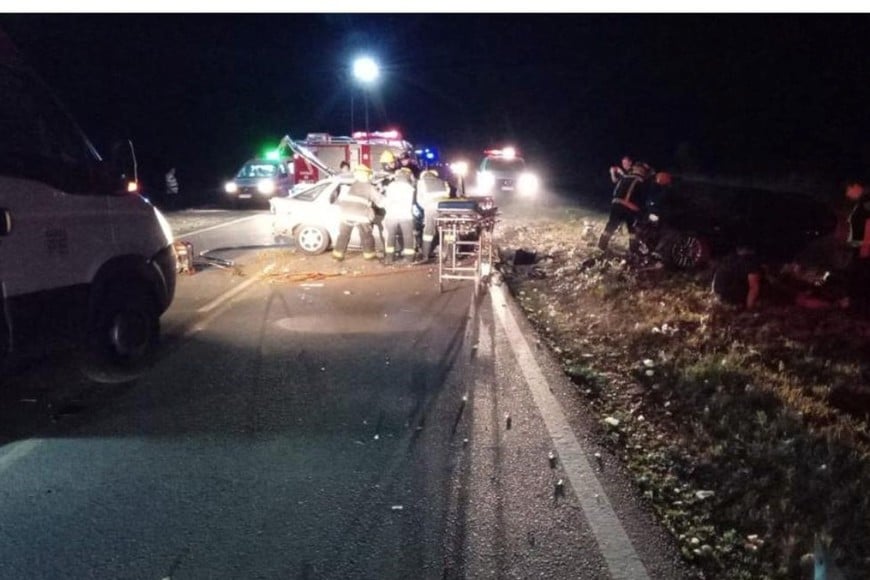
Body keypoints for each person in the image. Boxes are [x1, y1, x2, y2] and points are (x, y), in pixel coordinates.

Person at [598, 156, 656, 254]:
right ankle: (633, 250)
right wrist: (643, 212)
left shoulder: (625, 177)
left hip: (616, 204)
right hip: (630, 208)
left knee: (611, 226)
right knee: (632, 230)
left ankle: (601, 246)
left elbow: (616, 185)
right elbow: (643, 199)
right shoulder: (642, 182)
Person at [331, 165, 384, 262]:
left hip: (345, 214)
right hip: (361, 215)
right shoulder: (369, 187)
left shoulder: (351, 185)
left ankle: (337, 255)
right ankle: (369, 255)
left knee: (343, 235)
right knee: (366, 235)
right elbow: (381, 203)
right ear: (367, 175)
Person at [844, 181, 870, 316]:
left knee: (860, 278)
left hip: (863, 253)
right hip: (862, 253)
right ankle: (858, 308)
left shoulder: (861, 209)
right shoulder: (860, 211)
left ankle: (858, 307)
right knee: (860, 279)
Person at [382, 168, 418, 264]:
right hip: (405, 215)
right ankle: (409, 258)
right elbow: (413, 202)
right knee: (408, 237)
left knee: (391, 236)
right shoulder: (410, 187)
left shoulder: (391, 186)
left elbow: (386, 200)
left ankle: (389, 258)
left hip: (391, 215)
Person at [711, 244, 763, 309]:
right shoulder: (751, 262)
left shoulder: (728, 258)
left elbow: (716, 277)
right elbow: (753, 287)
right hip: (730, 297)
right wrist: (750, 309)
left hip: (717, 296)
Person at [416, 169, 451, 263]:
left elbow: (419, 199)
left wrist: (426, 207)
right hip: (444, 208)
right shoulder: (443, 181)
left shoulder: (421, 182)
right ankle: (448, 256)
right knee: (446, 230)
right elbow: (448, 194)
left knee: (428, 231)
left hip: (430, 207)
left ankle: (425, 256)